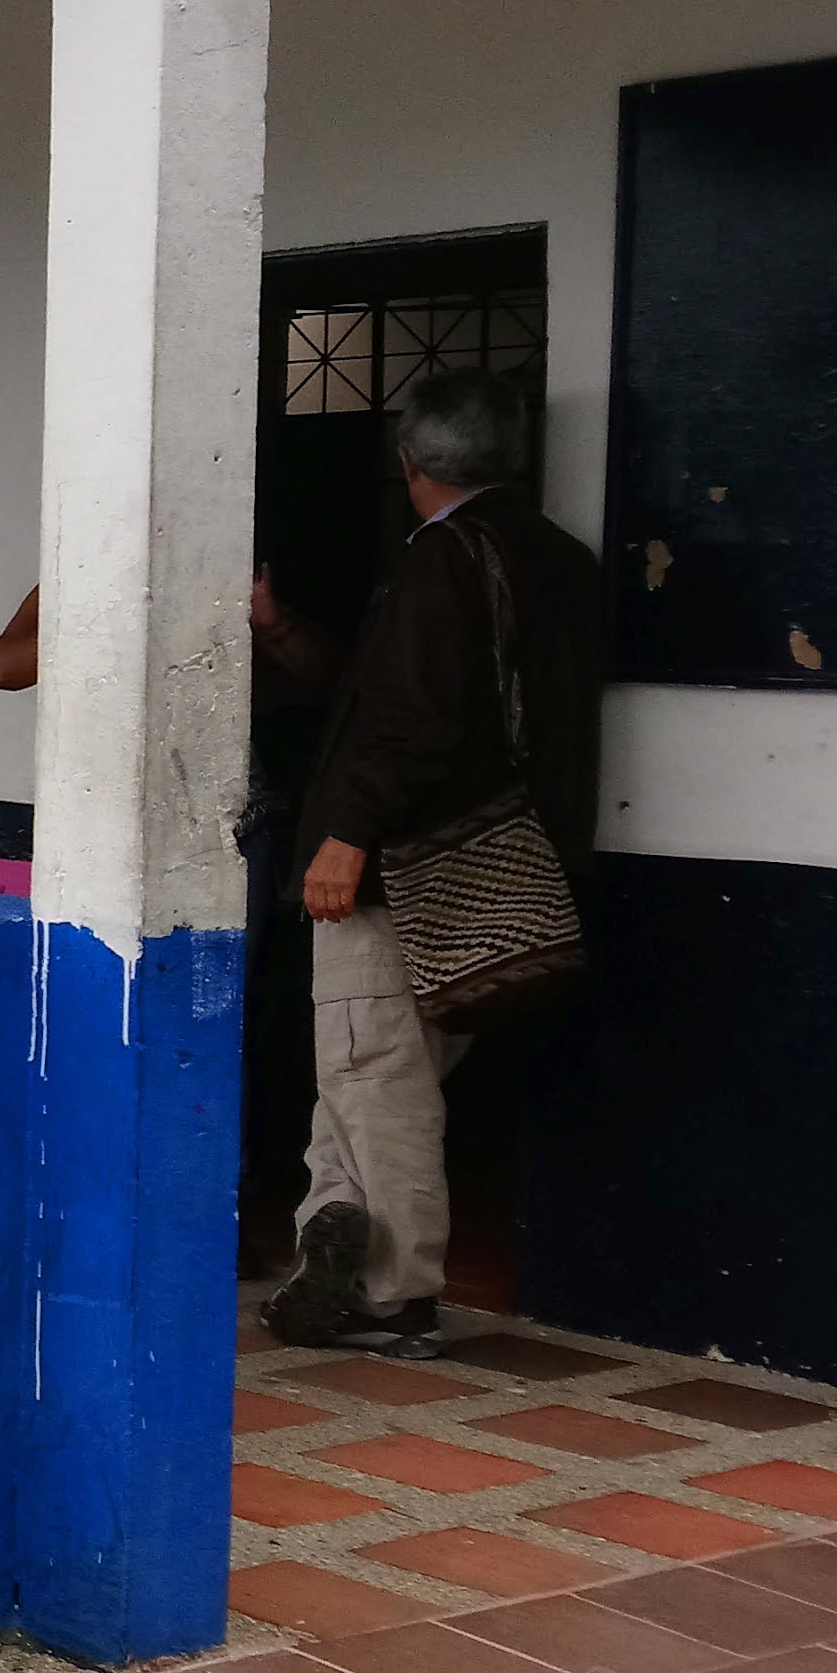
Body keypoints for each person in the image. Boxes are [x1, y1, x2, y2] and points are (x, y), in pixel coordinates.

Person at [266, 367, 602, 1357]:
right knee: (367, 1076)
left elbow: (412, 722)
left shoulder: (440, 560)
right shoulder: (559, 559)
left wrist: (346, 834)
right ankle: (332, 1236)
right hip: (495, 874)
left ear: (408, 461)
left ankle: (392, 1292)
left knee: (375, 1076)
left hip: (404, 868)